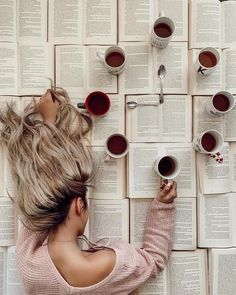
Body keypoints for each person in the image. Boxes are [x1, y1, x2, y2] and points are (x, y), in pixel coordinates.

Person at [0, 88, 177, 295]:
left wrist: (49, 123)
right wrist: (163, 206)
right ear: (79, 204)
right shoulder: (112, 265)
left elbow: (39, 205)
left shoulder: (31, 268)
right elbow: (154, 260)